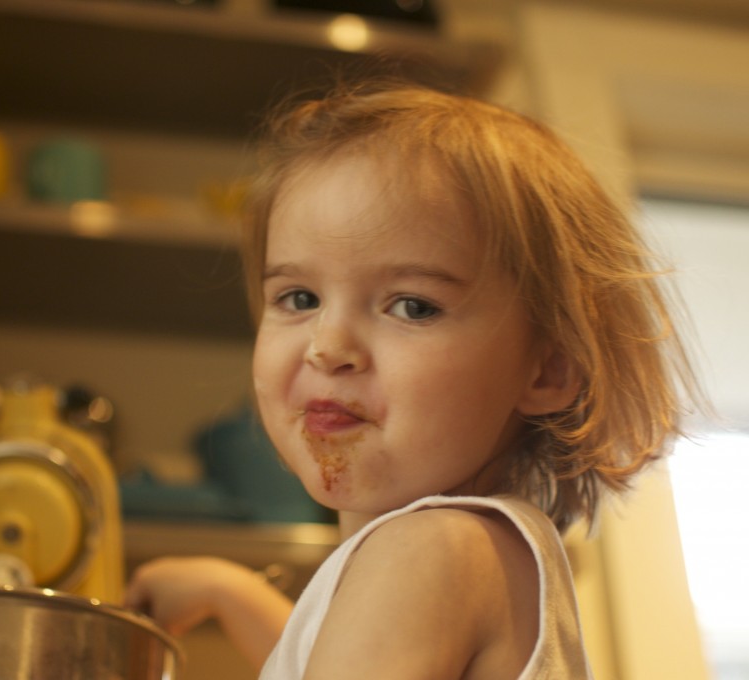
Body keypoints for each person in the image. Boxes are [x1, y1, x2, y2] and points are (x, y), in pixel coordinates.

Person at [125, 82, 702, 679]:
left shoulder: (432, 552)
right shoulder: (458, 556)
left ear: (548, 368)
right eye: (300, 297)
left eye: (412, 307)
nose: (329, 347)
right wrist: (232, 595)